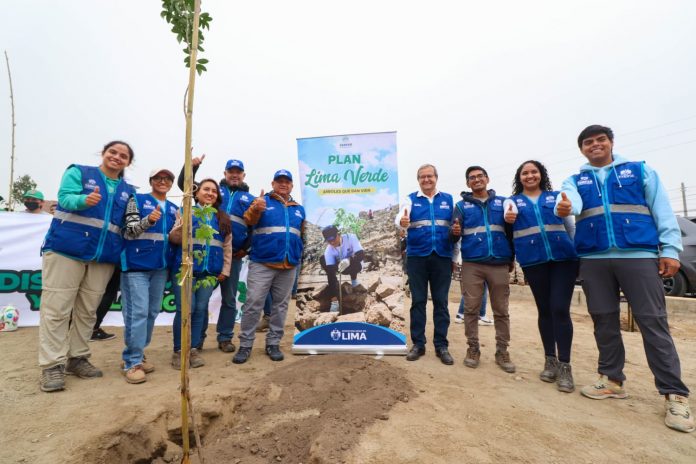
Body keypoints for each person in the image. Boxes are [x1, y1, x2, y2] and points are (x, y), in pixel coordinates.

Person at [556, 124, 694, 432]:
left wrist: (670, 249)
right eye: (588, 142)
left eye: (600, 140)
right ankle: (612, 379)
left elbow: (662, 211)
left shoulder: (639, 171)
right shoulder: (576, 179)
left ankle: (675, 394)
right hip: (594, 259)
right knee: (604, 320)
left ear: (611, 143)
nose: (595, 145)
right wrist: (565, 206)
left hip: (639, 256)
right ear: (582, 149)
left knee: (652, 321)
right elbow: (571, 203)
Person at [38, 141, 135, 392]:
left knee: (87, 311)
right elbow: (64, 199)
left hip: (103, 258)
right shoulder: (79, 172)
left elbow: (129, 224)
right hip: (66, 250)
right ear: (103, 154)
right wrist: (84, 199)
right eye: (113, 152)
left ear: (128, 162)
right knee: (57, 309)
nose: (117, 157)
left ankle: (78, 358)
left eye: (123, 155)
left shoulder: (128, 190)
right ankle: (52, 365)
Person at [505, 160, 578, 392]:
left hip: (563, 259)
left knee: (559, 309)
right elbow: (510, 231)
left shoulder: (556, 197)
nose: (530, 176)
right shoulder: (512, 203)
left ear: (541, 174)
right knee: (544, 310)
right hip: (533, 261)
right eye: (525, 173)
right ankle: (550, 360)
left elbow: (570, 227)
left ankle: (565, 365)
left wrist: (577, 252)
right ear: (519, 178)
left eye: (533, 172)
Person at [177, 155, 254, 353]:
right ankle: (197, 339)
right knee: (200, 303)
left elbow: (255, 226)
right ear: (225, 173)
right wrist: (192, 168)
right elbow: (184, 185)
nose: (234, 175)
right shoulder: (214, 191)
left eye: (238, 172)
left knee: (229, 299)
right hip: (204, 259)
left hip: (232, 256)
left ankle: (225, 337)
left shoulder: (250, 199)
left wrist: (246, 248)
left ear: (243, 175)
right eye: (231, 172)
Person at [233, 169, 305, 364]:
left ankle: (273, 343)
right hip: (262, 262)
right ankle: (245, 345)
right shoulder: (262, 202)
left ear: (291, 185)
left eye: (287, 182)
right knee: (253, 303)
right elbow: (249, 220)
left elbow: (302, 235)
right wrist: (256, 208)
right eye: (279, 181)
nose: (283, 184)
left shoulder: (299, 208)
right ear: (273, 184)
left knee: (281, 306)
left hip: (289, 265)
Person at [452, 165, 515, 373]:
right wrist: (453, 232)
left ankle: (502, 350)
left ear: (487, 179)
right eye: (472, 178)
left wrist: (511, 258)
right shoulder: (461, 207)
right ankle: (473, 348)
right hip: (472, 263)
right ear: (467, 183)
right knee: (470, 308)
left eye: (480, 176)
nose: (477, 180)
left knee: (501, 310)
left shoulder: (504, 202)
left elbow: (511, 231)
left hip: (499, 262)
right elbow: (454, 236)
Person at [119, 168, 178, 383]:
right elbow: (130, 230)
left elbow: (173, 238)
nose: (163, 181)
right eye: (158, 178)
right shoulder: (137, 199)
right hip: (136, 266)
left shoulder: (174, 208)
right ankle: (132, 362)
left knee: (152, 312)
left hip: (160, 267)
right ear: (151, 181)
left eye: (167, 178)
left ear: (171, 183)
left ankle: (137, 353)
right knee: (138, 313)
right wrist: (149, 220)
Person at [169, 178, 232, 369]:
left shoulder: (221, 218)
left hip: (209, 273)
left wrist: (224, 270)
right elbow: (173, 238)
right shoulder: (188, 212)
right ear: (196, 193)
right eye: (206, 189)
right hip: (186, 270)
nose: (210, 193)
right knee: (185, 309)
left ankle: (194, 349)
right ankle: (179, 351)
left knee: (199, 310)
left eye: (214, 191)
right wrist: (181, 225)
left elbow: (227, 247)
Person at [396, 164, 455, 366]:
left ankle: (441, 345)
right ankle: (418, 344)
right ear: (418, 180)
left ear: (436, 178)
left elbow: (454, 230)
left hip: (442, 257)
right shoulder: (410, 199)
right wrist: (402, 222)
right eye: (422, 177)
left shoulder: (448, 199)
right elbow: (400, 218)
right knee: (418, 302)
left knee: (441, 302)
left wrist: (455, 259)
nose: (426, 180)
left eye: (430, 176)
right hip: (417, 258)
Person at [320, 225, 365, 313]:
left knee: (356, 264)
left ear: (339, 234)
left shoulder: (351, 237)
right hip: (340, 267)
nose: (332, 242)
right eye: (329, 241)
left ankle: (354, 280)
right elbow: (330, 274)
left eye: (333, 238)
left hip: (354, 265)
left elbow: (361, 254)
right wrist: (334, 300)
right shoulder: (329, 250)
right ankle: (336, 292)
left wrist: (349, 260)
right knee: (323, 259)